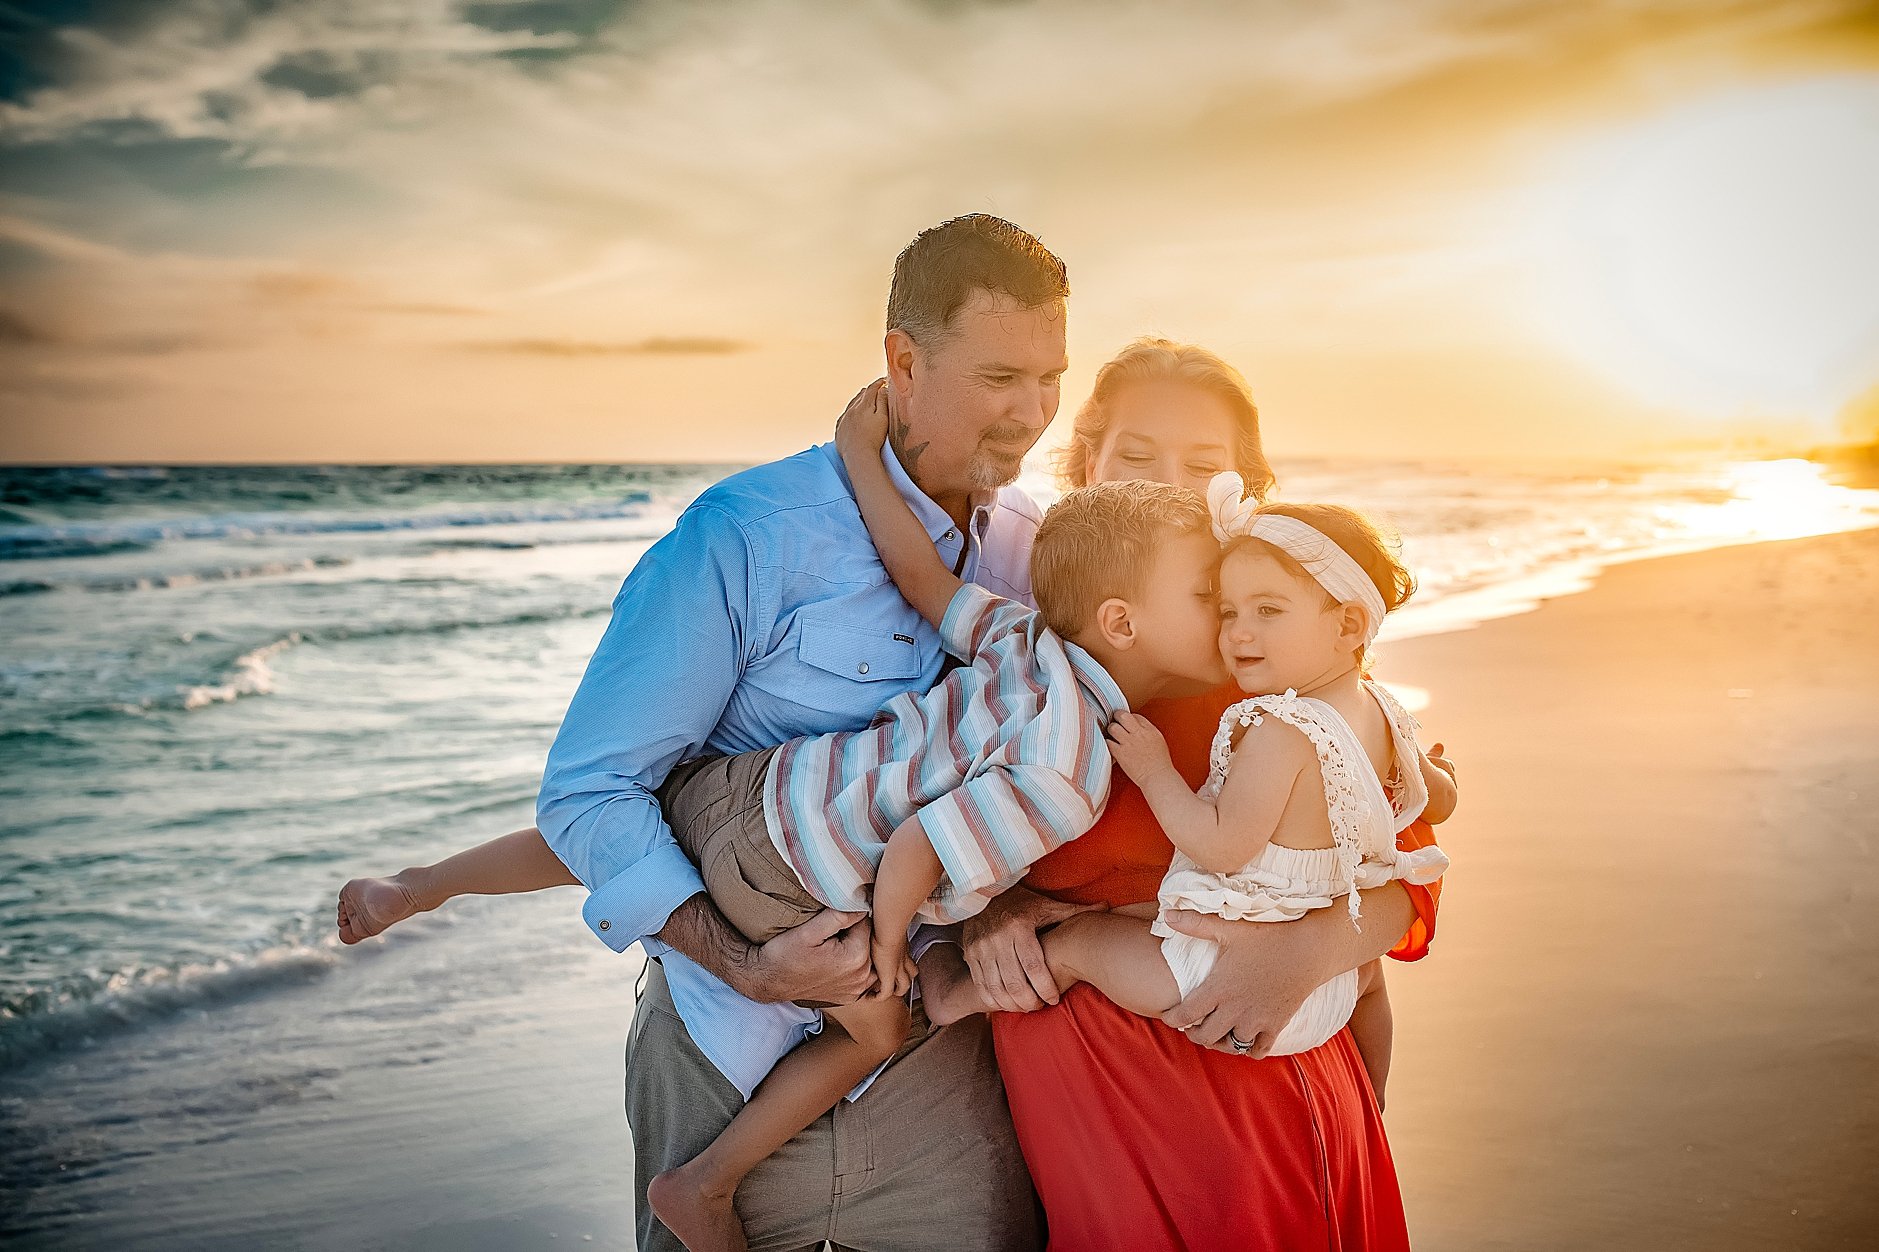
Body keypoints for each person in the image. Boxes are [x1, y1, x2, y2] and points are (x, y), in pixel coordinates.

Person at [338, 395, 1227, 1250]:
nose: (1221, 618)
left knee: (626, 830)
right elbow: (920, 846)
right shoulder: (1067, 771)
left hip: (767, 791)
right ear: (1122, 619)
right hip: (806, 879)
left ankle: (420, 885)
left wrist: (859, 461)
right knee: (878, 1027)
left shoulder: (1021, 636)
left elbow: (917, 575)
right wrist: (882, 955)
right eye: (1205, 602)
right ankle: (709, 1185)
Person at [345, 213, 1067, 1252]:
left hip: (945, 1087)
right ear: (902, 363)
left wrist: (1020, 909)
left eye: (1051, 379)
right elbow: (591, 795)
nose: (1033, 414)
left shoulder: (1033, 554)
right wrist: (744, 963)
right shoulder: (746, 536)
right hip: (723, 1060)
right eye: (1001, 376)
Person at [973, 339, 1454, 1250]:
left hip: (1252, 1062)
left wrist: (1308, 950)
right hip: (1076, 1083)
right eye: (1137, 457)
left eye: (1206, 466)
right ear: (1086, 470)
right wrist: (988, 920)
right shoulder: (1016, 669)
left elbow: (1409, 877)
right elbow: (911, 842)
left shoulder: (1278, 668)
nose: (1179, 488)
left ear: (1246, 488)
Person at [923, 473, 1452, 1113]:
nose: (1237, 634)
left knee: (1088, 942)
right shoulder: (1381, 708)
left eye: (1266, 612)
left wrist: (1156, 773)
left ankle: (956, 996)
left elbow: (1221, 846)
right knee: (1367, 983)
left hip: (1223, 975)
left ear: (1347, 626)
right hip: (1332, 990)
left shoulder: (1280, 729)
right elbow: (1432, 799)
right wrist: (1439, 783)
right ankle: (1373, 1102)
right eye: (1225, 609)